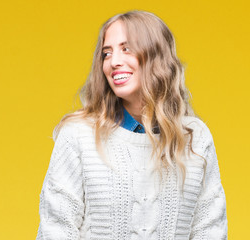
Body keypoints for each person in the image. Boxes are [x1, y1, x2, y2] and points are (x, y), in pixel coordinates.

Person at [36, 10, 227, 239]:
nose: (114, 62)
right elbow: (56, 228)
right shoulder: (78, 135)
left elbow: (210, 229)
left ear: (156, 55)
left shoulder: (196, 137)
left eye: (126, 49)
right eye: (107, 53)